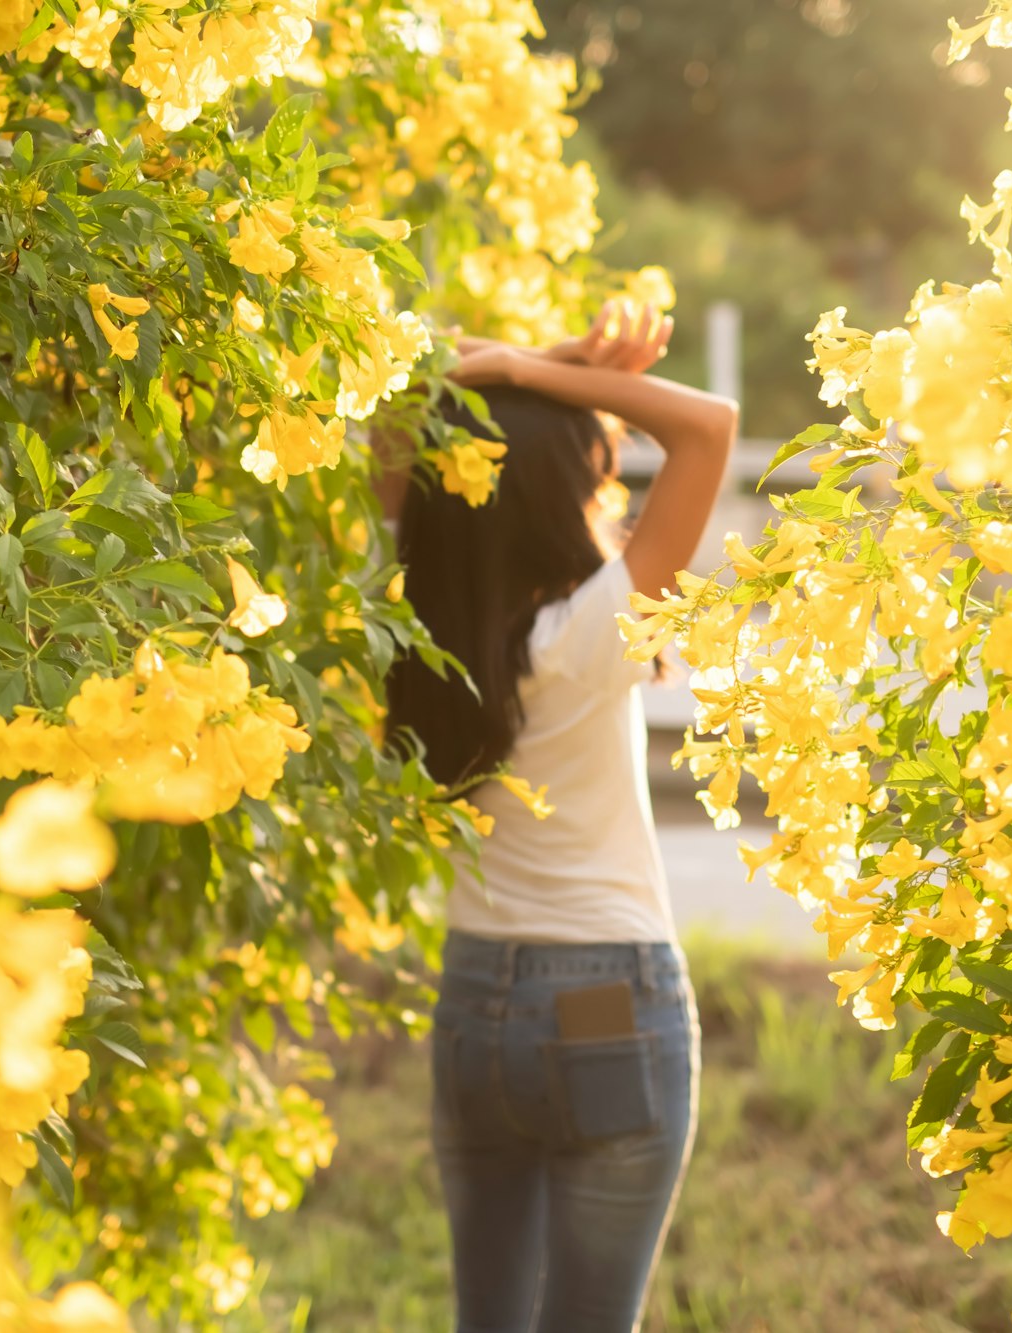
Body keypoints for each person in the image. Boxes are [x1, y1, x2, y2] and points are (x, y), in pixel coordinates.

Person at [380, 302, 740, 1333]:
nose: (609, 492)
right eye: (596, 475)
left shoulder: (406, 623)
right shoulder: (587, 636)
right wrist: (535, 370)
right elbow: (707, 426)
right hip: (601, 1004)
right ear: (551, 498)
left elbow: (402, 402)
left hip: (473, 1001)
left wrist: (533, 367)